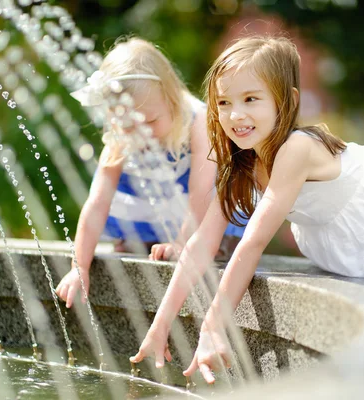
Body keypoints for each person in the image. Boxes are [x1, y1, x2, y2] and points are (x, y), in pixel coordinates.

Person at [129, 36, 364, 383]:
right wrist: (161, 325)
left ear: (288, 101)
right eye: (224, 102)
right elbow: (200, 245)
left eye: (251, 99)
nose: (235, 115)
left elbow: (253, 243)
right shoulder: (242, 164)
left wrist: (213, 326)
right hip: (346, 228)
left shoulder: (297, 147)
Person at [55, 37, 245, 308]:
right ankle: (147, 238)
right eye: (125, 124)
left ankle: (195, 242)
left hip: (195, 207)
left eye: (151, 121)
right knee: (136, 240)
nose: (139, 133)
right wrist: (79, 267)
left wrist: (182, 243)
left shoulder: (198, 121)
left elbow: (201, 190)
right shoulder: (121, 137)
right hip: (149, 205)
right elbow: (97, 203)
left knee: (211, 244)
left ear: (173, 100)